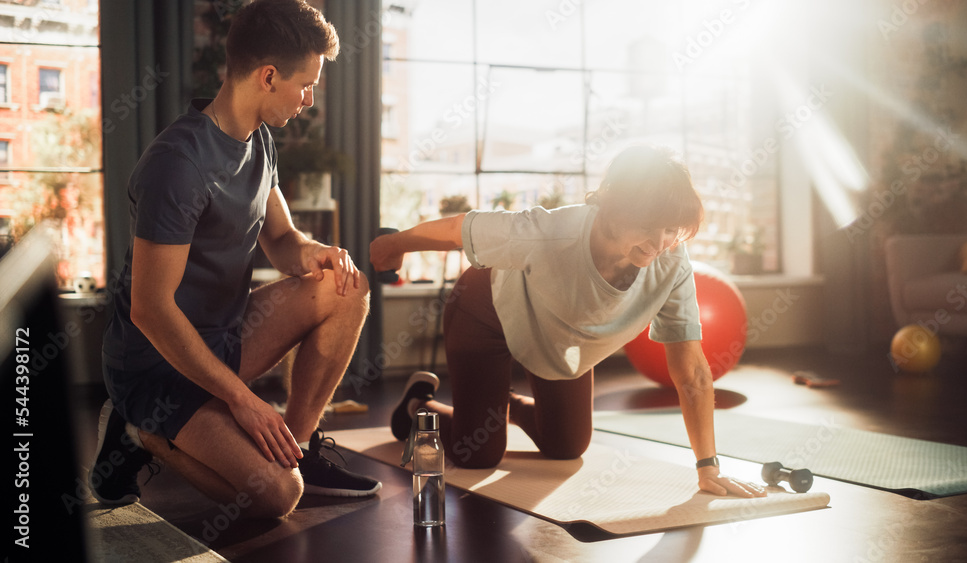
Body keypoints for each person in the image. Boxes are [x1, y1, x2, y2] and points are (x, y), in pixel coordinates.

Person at [91, 0, 379, 519]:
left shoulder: (259, 139)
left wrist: (315, 253)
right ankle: (142, 434)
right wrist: (244, 402)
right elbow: (150, 310)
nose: (309, 100)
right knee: (277, 496)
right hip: (157, 364)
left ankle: (300, 447)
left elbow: (282, 239)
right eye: (306, 84)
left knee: (348, 289)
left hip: (223, 341)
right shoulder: (178, 165)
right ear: (269, 76)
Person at [371, 145, 766, 497]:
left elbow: (692, 370)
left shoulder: (670, 262)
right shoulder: (550, 231)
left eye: (670, 229)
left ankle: (497, 403)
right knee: (477, 453)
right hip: (487, 312)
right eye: (648, 226)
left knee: (566, 444)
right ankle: (417, 406)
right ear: (616, 208)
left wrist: (707, 467)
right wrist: (395, 243)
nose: (660, 242)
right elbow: (463, 228)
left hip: (557, 336)